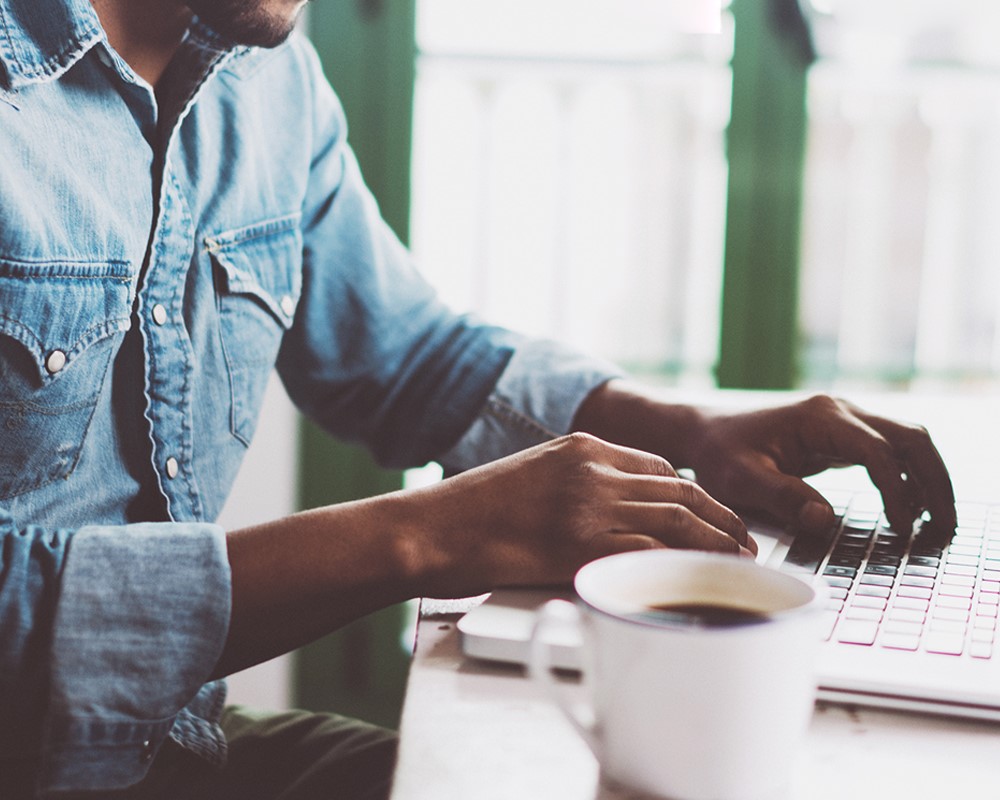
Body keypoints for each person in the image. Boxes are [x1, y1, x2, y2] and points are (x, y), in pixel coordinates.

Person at [0, 0, 956, 797]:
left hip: (174, 748)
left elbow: (408, 360)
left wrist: (690, 433)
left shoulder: (265, 73)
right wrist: (431, 535)